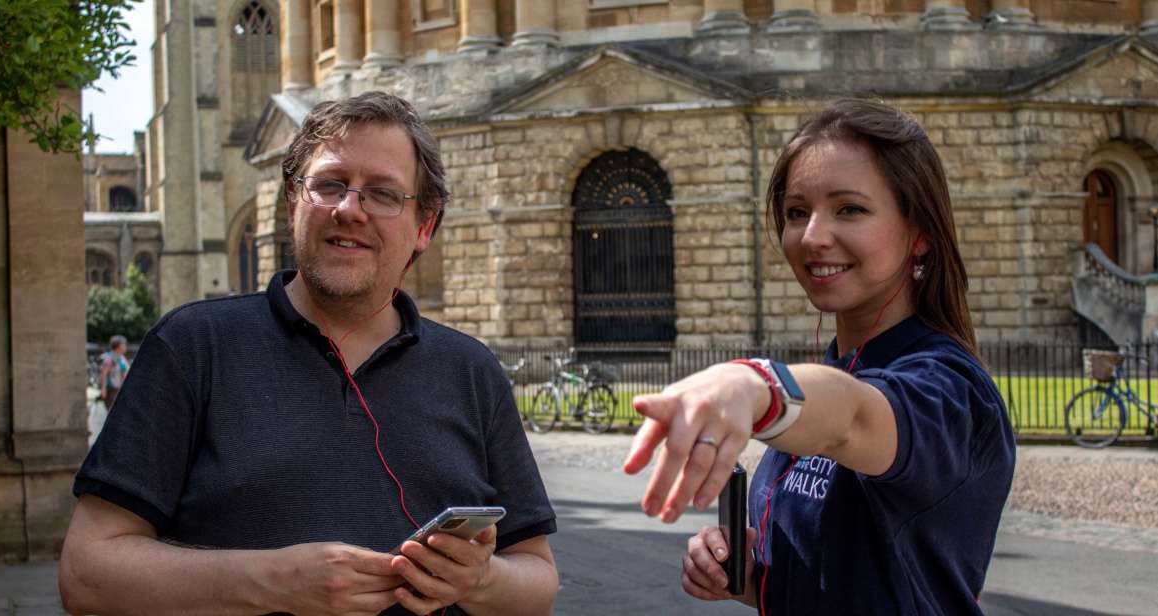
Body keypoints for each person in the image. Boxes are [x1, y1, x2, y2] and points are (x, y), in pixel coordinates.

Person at [60, 91, 559, 616]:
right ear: (292, 203)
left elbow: (538, 578)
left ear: (424, 228)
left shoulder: (471, 370)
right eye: (329, 185)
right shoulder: (192, 347)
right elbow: (86, 575)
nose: (350, 210)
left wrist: (478, 581)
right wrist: (272, 581)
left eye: (383, 194)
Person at [623, 99, 1015, 614]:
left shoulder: (947, 387)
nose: (812, 237)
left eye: (849, 208)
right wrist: (745, 576)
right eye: (796, 212)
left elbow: (853, 417)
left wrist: (753, 382)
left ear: (919, 234)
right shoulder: (830, 373)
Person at [97, 334, 129, 409]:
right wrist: (103, 389)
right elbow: (103, 374)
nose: (125, 347)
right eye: (124, 344)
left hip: (120, 389)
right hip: (111, 390)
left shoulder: (122, 358)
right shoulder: (109, 359)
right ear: (119, 346)